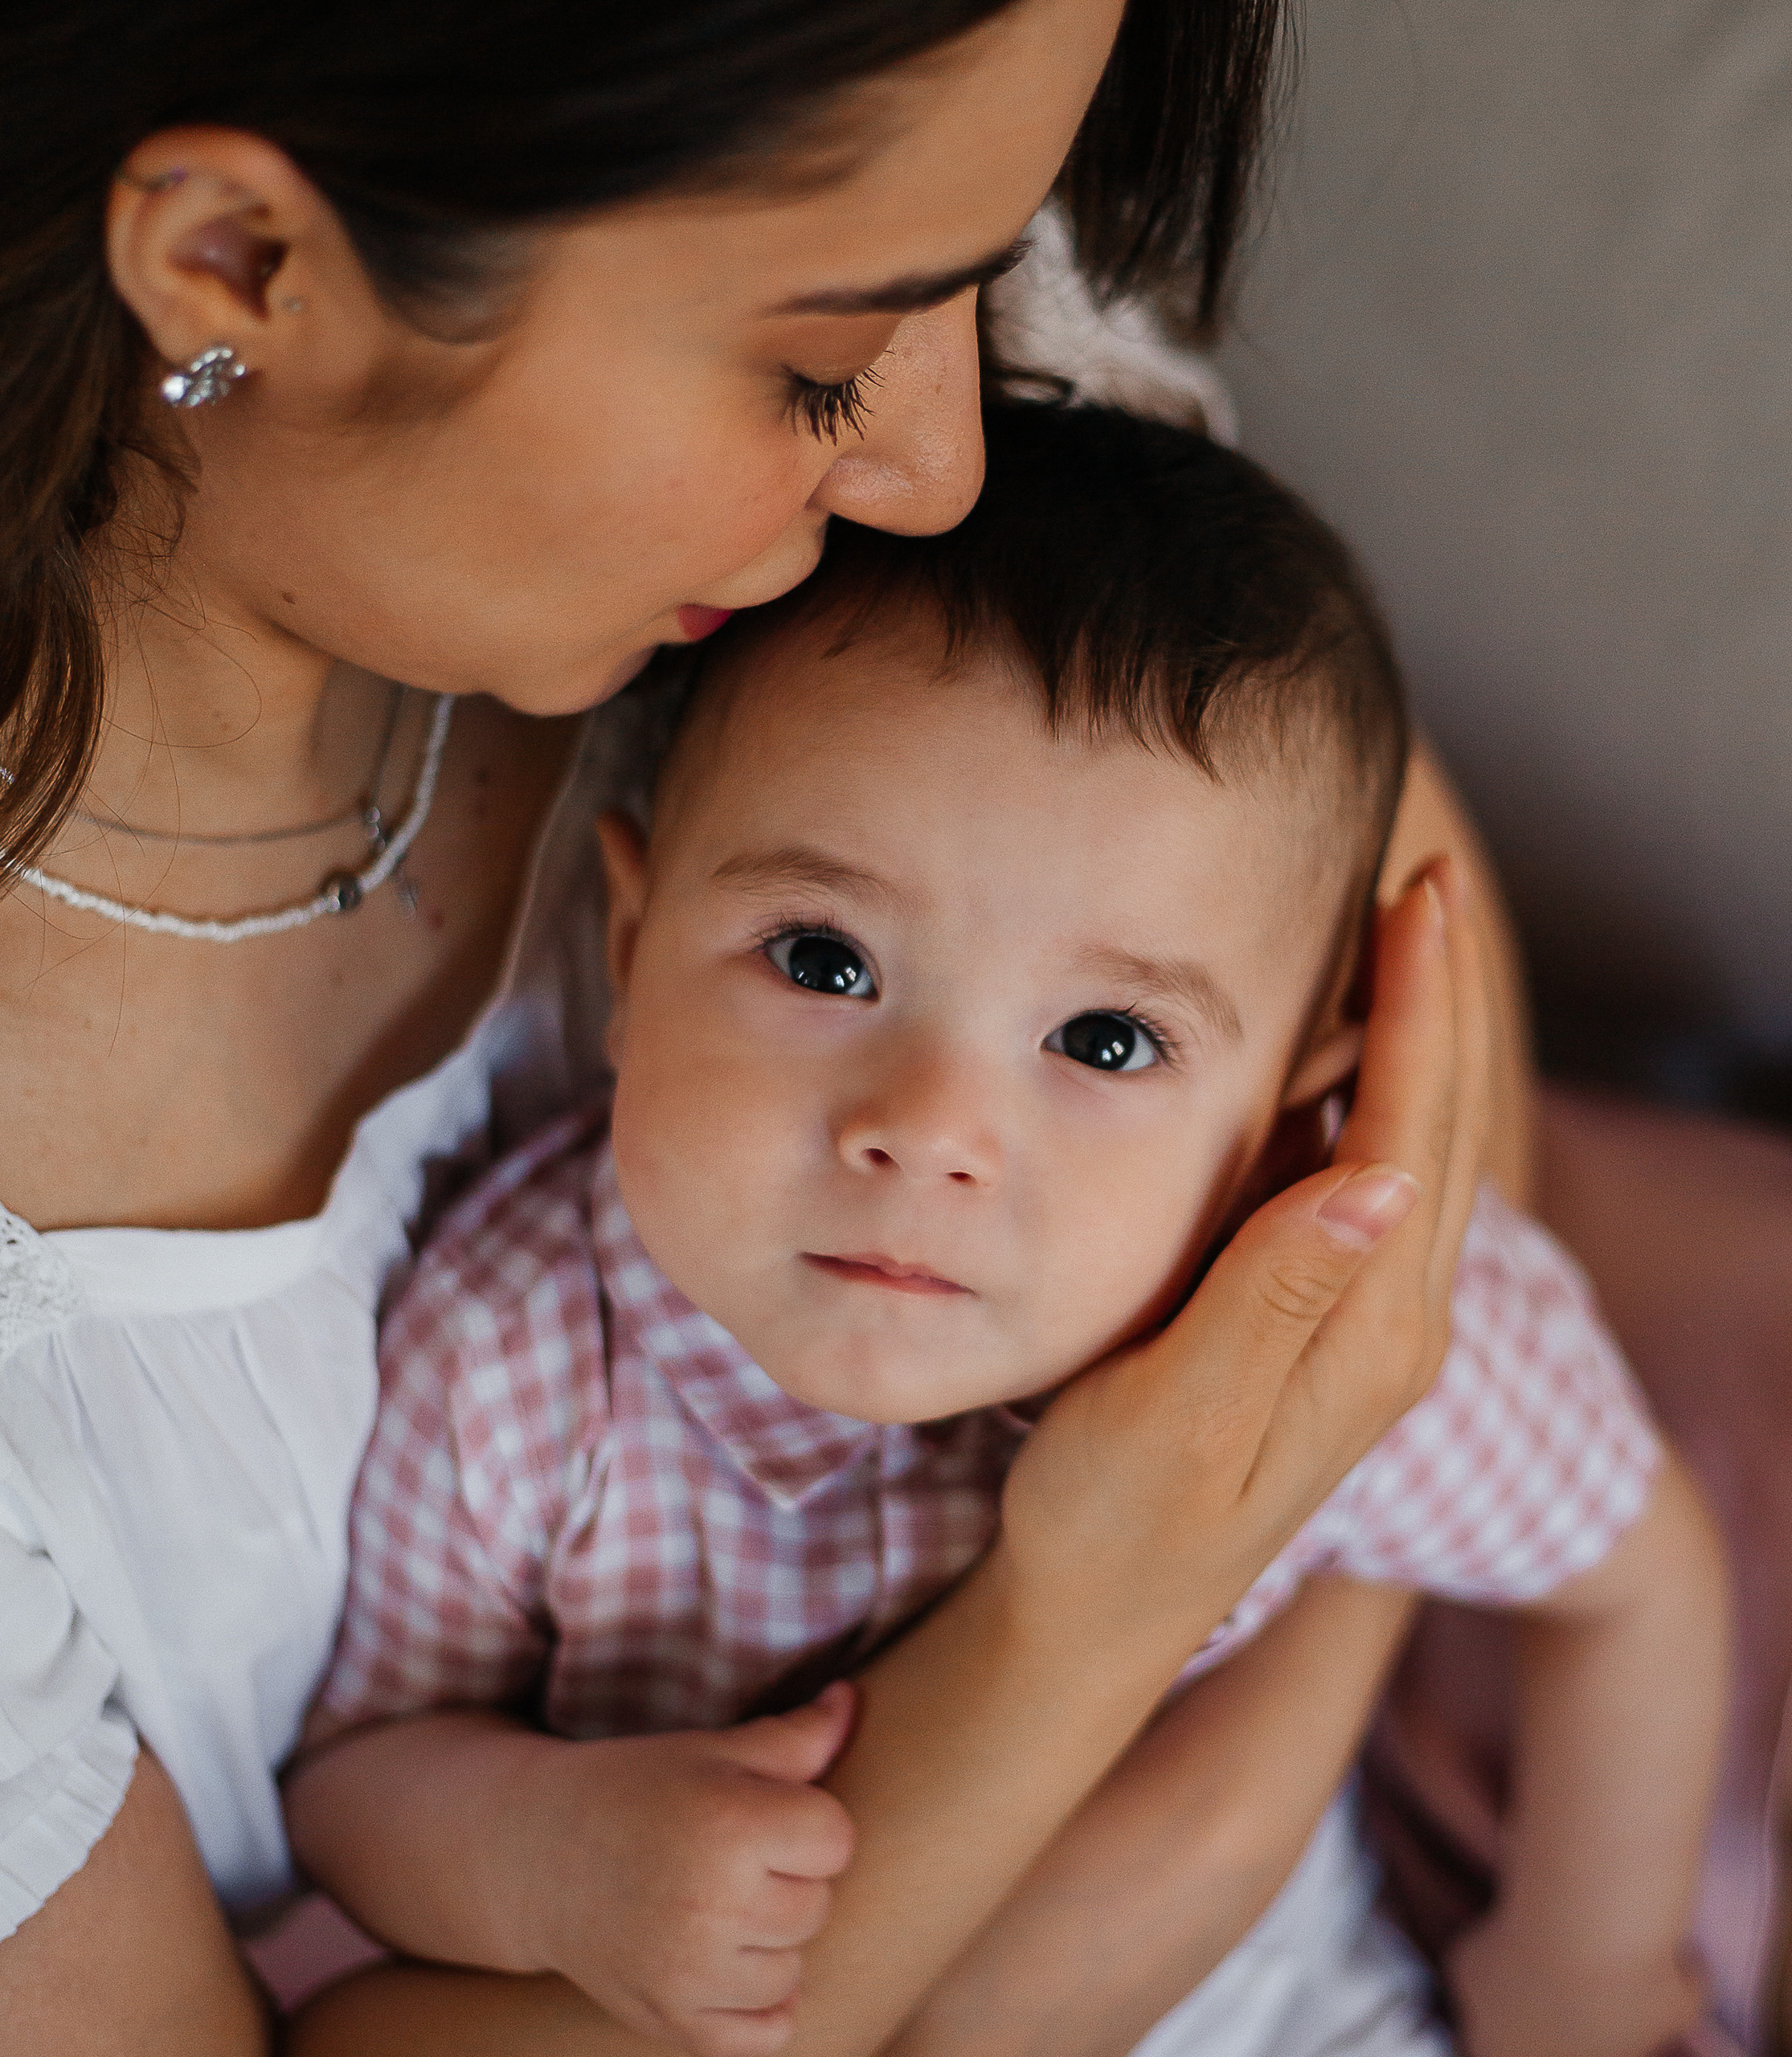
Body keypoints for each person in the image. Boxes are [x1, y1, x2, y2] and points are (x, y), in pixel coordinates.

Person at [0, 7, 1505, 2055]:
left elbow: (1386, 929)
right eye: (818, 364)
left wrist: (1262, 1740)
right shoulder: (507, 1381)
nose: (944, 465)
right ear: (244, 263)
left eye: (980, 275)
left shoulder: (894, 347)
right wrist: (1097, 1628)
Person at [288, 403, 1729, 2057]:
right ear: (631, 946)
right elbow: (356, 1774)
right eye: (823, 960)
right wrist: (536, 1852)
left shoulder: (1329, 1330)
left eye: (1105, 1041)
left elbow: (1641, 1585)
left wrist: (1586, 1966)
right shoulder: (518, 1354)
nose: (929, 1128)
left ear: (1288, 1104)